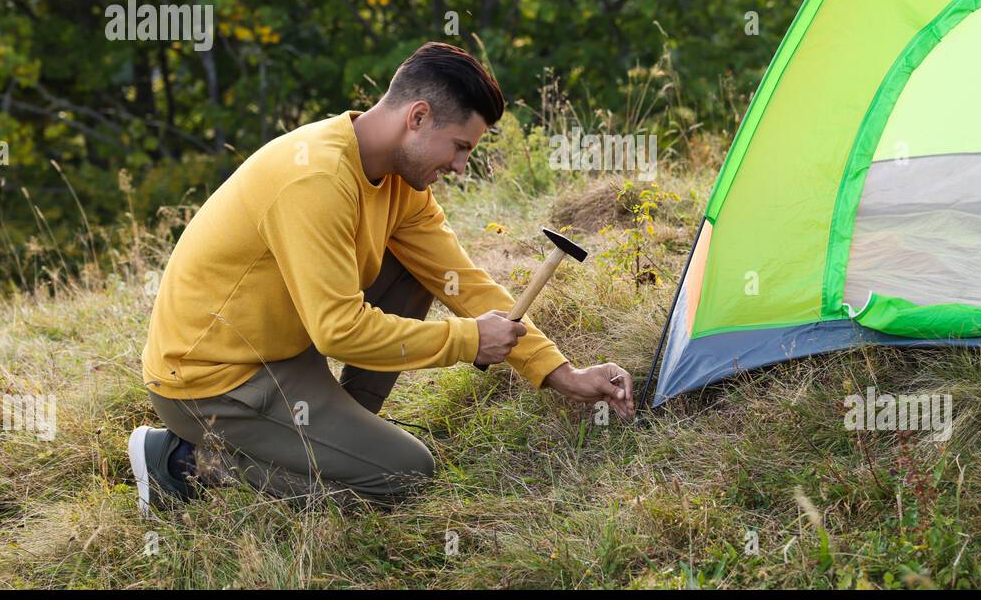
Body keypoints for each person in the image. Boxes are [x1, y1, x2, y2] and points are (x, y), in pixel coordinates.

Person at [128, 41, 633, 517]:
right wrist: (468, 341)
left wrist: (560, 372)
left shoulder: (398, 179)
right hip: (211, 380)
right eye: (459, 147)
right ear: (418, 117)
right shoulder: (318, 179)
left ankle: (344, 431)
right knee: (405, 474)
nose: (460, 166)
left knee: (418, 271)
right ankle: (178, 462)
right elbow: (338, 330)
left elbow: (462, 281)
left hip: (279, 347)